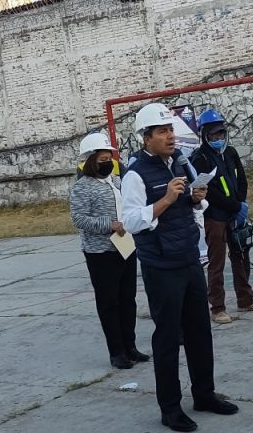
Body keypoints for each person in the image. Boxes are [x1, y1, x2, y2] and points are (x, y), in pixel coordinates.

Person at [121, 103, 238, 433]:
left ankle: (204, 394)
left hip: (188, 259)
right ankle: (170, 408)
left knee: (200, 332)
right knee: (168, 338)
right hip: (161, 266)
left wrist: (195, 197)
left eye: (171, 130)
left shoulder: (178, 164)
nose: (171, 136)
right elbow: (131, 221)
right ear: (146, 138)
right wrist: (167, 200)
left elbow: (192, 205)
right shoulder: (134, 174)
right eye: (162, 132)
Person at [69, 133, 149, 370]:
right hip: (100, 252)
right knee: (109, 303)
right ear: (90, 160)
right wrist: (109, 224)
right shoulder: (82, 187)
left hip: (124, 246)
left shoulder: (115, 181)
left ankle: (130, 347)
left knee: (128, 299)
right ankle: (117, 352)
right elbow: (78, 219)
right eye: (102, 158)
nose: (108, 162)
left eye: (109, 158)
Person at [190, 109, 253, 325]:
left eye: (221, 134)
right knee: (216, 263)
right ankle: (217, 307)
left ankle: (246, 299)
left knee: (242, 257)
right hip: (215, 217)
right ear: (204, 135)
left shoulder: (231, 153)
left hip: (236, 214)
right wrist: (236, 207)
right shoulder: (200, 158)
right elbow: (210, 192)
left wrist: (241, 205)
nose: (218, 139)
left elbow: (241, 180)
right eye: (214, 135)